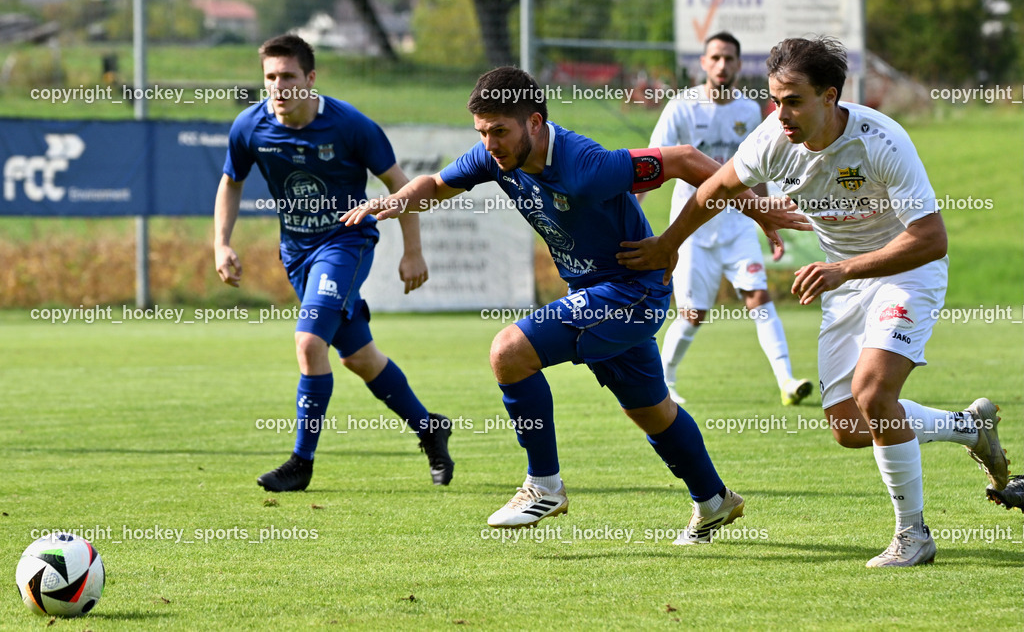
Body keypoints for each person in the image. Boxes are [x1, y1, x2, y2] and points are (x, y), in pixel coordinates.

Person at [343, 66, 808, 542]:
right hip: (596, 293)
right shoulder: (495, 158)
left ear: (536, 124)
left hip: (632, 292)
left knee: (509, 352)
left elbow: (686, 158)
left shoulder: (588, 165)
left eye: (500, 131)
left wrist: (757, 210)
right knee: (652, 411)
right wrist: (396, 200)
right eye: (482, 132)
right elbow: (436, 185)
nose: (490, 144)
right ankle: (714, 501)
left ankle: (544, 485)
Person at [617, 36, 1009, 566]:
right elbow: (715, 189)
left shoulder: (881, 141)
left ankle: (913, 536)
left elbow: (931, 238)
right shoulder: (772, 138)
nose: (781, 114)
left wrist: (842, 267)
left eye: (794, 101)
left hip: (906, 272)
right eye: (775, 100)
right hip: (842, 282)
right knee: (851, 426)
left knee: (873, 392)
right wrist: (668, 245)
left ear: (830, 96)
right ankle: (968, 427)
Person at [214, 34, 454, 491]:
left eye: (287, 77)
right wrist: (220, 244)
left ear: (311, 78)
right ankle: (429, 428)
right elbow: (231, 182)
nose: (278, 87)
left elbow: (402, 186)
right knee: (360, 358)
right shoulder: (250, 126)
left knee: (308, 345)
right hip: (297, 253)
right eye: (270, 78)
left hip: (348, 243)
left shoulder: (350, 126)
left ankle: (300, 463)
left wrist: (413, 250)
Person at [648, 32, 812, 406]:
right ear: (704, 64)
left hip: (737, 226)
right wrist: (631, 204)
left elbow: (762, 170)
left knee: (758, 296)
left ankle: (786, 381)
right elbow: (654, 163)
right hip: (693, 230)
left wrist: (766, 218)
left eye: (729, 59)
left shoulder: (749, 111)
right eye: (715, 58)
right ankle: (663, 382)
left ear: (739, 66)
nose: (722, 65)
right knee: (693, 314)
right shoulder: (681, 107)